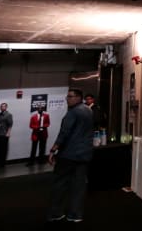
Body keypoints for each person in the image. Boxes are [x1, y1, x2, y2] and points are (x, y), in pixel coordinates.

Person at [46, 88, 94, 223]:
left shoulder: (72, 113)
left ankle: (56, 213)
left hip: (68, 155)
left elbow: (64, 133)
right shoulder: (89, 110)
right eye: (67, 96)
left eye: (70, 96)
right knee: (79, 186)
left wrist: (53, 150)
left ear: (79, 98)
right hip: (84, 154)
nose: (67, 99)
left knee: (60, 184)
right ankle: (75, 215)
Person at [0, 102, 13, 168]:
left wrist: (8, 133)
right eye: (1, 106)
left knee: (3, 150)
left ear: (6, 107)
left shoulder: (8, 115)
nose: (2, 107)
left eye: (3, 106)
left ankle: (2, 164)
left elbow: (10, 125)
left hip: (4, 135)